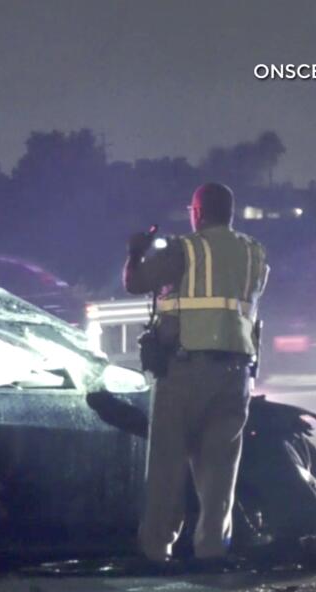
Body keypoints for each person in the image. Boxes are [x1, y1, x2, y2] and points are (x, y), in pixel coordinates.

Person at [123, 182, 268, 565]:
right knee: (220, 468)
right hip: (236, 372)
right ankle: (211, 550)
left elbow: (135, 284)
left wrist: (136, 251)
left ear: (198, 212)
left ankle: (157, 549)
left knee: (167, 465)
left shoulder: (185, 249)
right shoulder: (254, 253)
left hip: (185, 371)